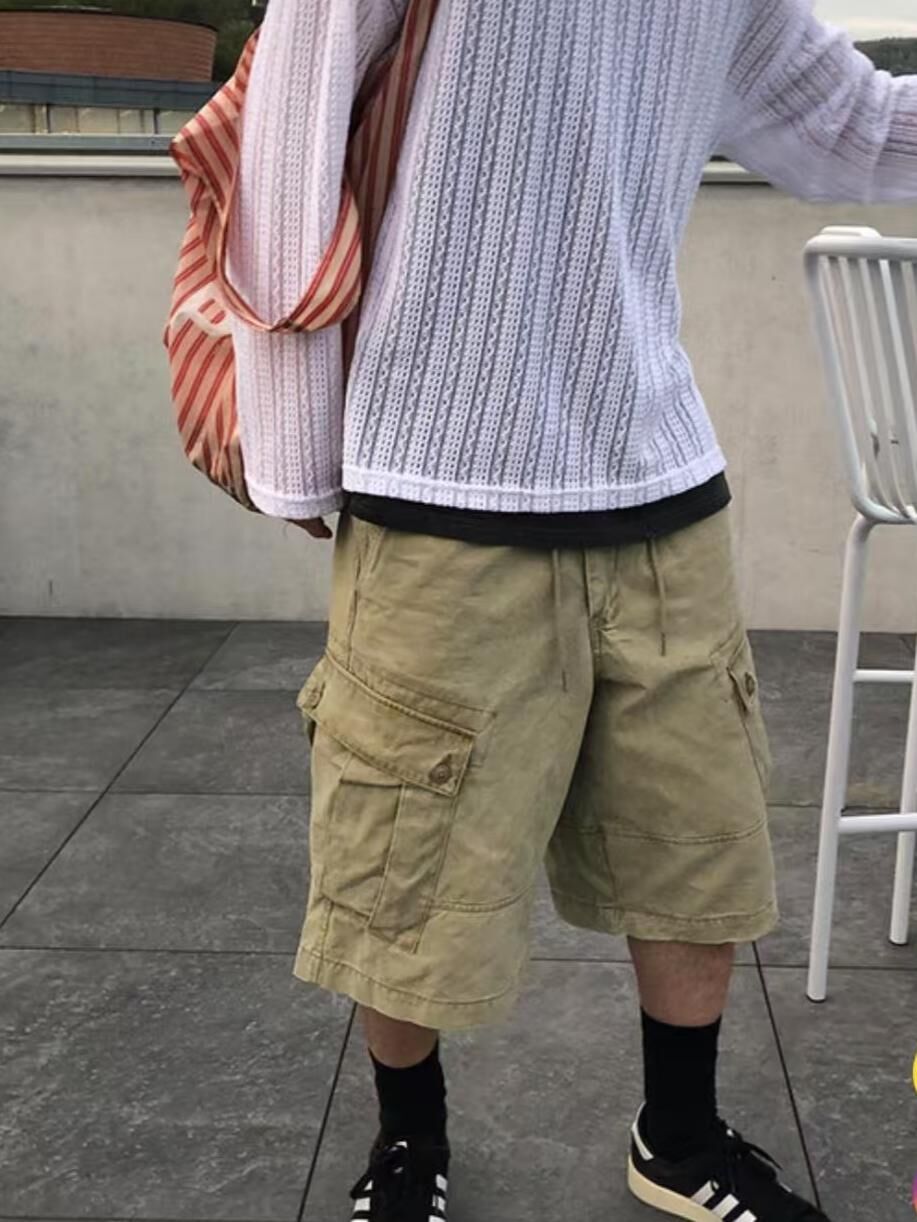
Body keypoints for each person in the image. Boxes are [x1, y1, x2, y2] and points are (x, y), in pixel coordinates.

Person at [227, 3, 917, 1219]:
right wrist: (294, 449)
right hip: (439, 473)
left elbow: (851, 123)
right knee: (402, 858)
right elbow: (291, 120)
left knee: (694, 835)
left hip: (657, 468)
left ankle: (680, 1137)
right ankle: (408, 1138)